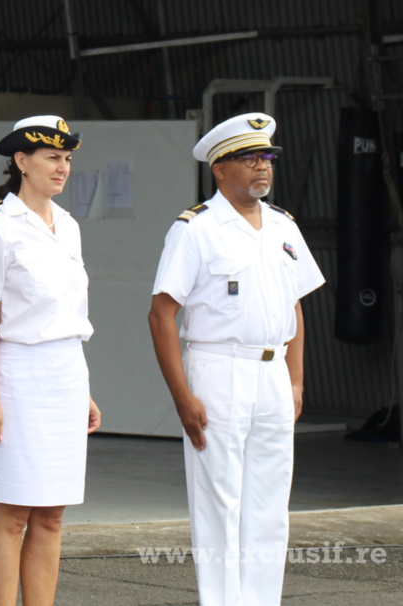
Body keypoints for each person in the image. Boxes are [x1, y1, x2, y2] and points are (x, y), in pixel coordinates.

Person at [148, 112, 325, 605]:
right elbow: (161, 314)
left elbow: (295, 306)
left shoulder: (283, 225)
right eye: (248, 158)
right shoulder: (196, 229)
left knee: (269, 503)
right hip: (218, 369)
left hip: (273, 372)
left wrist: (296, 381)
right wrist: (182, 396)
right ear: (219, 169)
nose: (262, 166)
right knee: (219, 502)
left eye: (266, 157)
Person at [0, 116, 101, 606]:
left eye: (67, 158)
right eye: (52, 157)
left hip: (66, 374)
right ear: (21, 161)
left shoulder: (68, 225)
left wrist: (84, 391)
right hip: (18, 376)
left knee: (52, 515)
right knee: (12, 514)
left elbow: (67, 315)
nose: (62, 167)